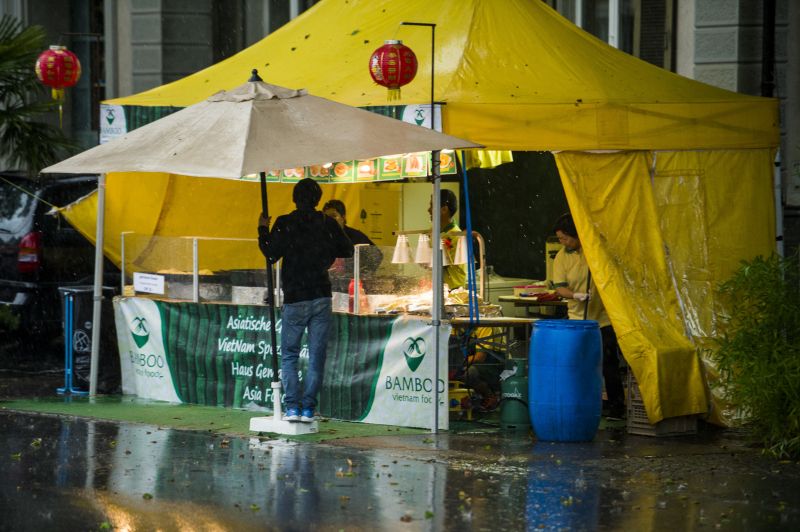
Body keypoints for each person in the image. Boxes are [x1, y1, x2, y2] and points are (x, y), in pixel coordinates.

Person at [257, 178, 354, 423]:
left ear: (294, 198)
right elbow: (348, 249)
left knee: (290, 355)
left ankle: (292, 408)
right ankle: (308, 409)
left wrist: (262, 229)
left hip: (295, 297)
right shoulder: (328, 223)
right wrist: (325, 251)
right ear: (318, 199)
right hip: (321, 295)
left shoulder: (285, 223)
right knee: (316, 356)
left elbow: (270, 254)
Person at [552, 213, 626, 419]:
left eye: (565, 238)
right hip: (577, 320)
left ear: (576, 234)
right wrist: (575, 295)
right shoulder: (561, 258)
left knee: (609, 363)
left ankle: (616, 406)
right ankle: (583, 402)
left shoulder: (594, 250)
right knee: (580, 364)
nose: (562, 242)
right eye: (560, 239)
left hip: (603, 319)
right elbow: (560, 288)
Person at [322, 199, 384, 272]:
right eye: (327, 217)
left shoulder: (356, 236)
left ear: (343, 217)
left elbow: (377, 256)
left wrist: (363, 272)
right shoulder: (321, 236)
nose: (330, 220)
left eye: (334, 216)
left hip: (351, 277)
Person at [428, 188, 467, 291]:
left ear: (444, 210)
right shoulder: (437, 232)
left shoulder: (455, 236)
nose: (428, 210)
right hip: (441, 288)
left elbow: (437, 263)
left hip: (453, 291)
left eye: (432, 206)